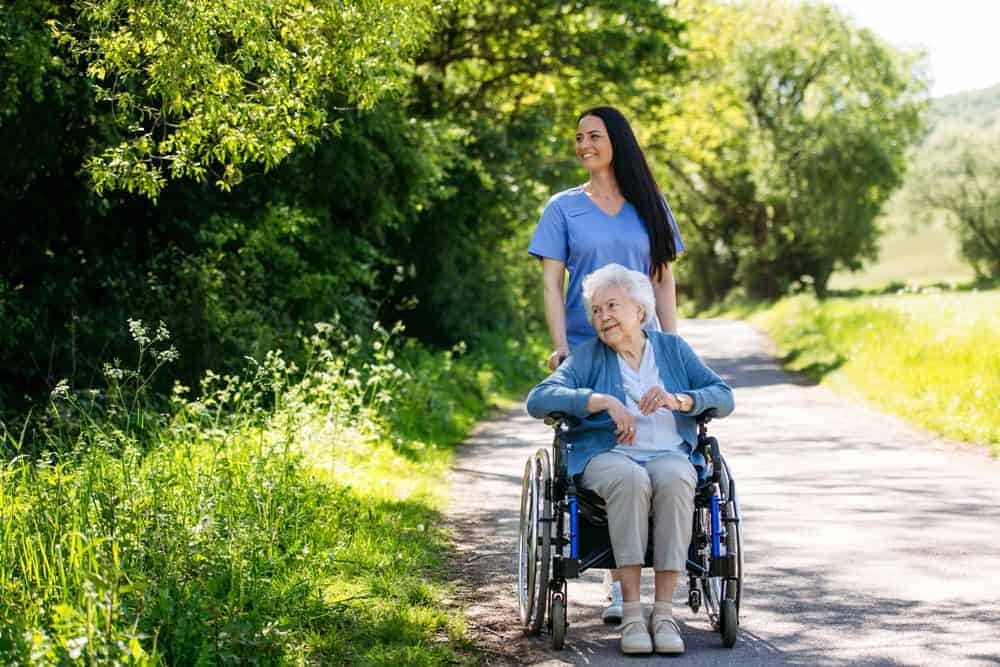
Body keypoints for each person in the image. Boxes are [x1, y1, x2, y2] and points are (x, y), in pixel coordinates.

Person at [525, 264, 734, 656]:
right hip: (609, 456)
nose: (602, 317)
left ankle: (665, 613)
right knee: (629, 479)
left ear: (640, 311)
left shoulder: (673, 350)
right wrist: (599, 401)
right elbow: (538, 399)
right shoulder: (589, 357)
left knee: (676, 477)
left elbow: (723, 395)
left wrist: (681, 400)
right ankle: (633, 613)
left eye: (612, 306)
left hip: (668, 452)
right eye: (596, 310)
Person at [528, 105, 686, 622]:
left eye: (593, 135)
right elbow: (553, 283)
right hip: (587, 346)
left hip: (644, 343)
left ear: (617, 140)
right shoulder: (563, 208)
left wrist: (672, 346)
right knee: (608, 449)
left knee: (653, 447)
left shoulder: (651, 205)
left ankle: (632, 583)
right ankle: (624, 582)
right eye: (578, 137)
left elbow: (662, 279)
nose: (583, 144)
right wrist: (560, 346)